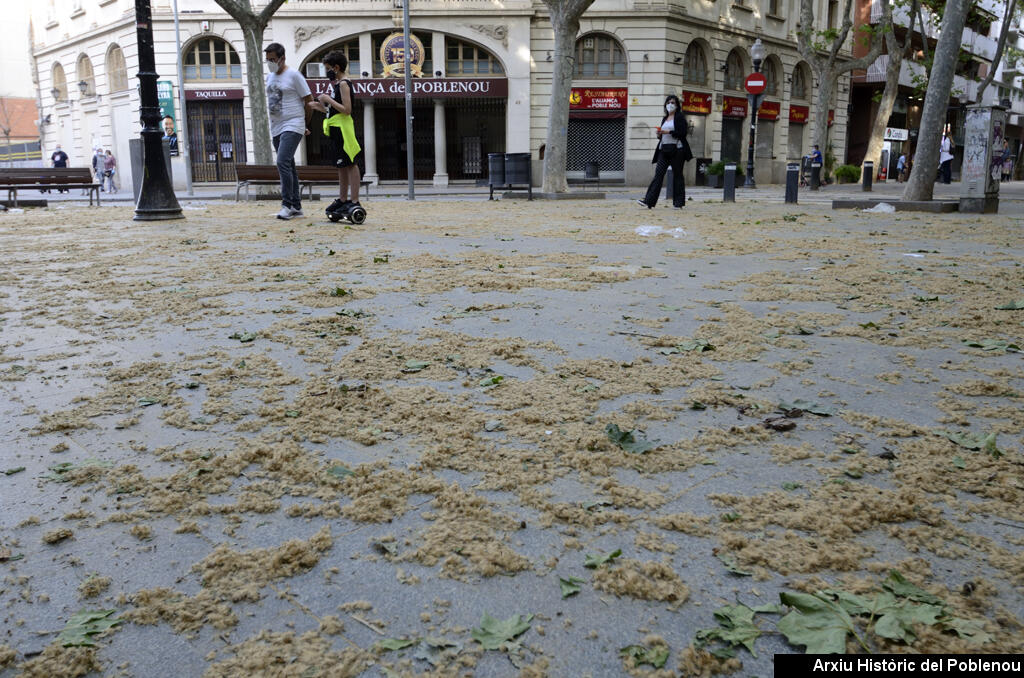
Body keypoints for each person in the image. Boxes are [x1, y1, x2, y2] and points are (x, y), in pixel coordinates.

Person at [309, 50, 364, 218]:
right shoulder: (337, 84)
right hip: (335, 128)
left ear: (336, 67)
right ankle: (342, 199)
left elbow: (347, 110)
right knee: (341, 165)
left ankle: (354, 201)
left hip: (343, 130)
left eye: (328, 68)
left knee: (351, 163)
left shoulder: (344, 84)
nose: (327, 72)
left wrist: (328, 99)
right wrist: (320, 106)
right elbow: (334, 110)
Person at [265, 42, 313, 220]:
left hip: (293, 123)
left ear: (282, 58)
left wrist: (305, 123)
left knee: (282, 161)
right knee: (289, 165)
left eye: (273, 59)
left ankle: (286, 204)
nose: (270, 62)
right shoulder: (270, 76)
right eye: (267, 59)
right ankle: (296, 206)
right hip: (276, 125)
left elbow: (309, 100)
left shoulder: (293, 75)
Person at [637, 94, 692, 209]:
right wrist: (659, 134)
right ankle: (648, 201)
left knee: (677, 175)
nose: (670, 105)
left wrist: (668, 132)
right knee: (658, 175)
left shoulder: (679, 117)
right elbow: (663, 136)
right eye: (668, 103)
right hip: (663, 150)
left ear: (677, 105)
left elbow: (682, 133)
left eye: (672, 103)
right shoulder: (664, 119)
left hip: (677, 150)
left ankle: (678, 203)